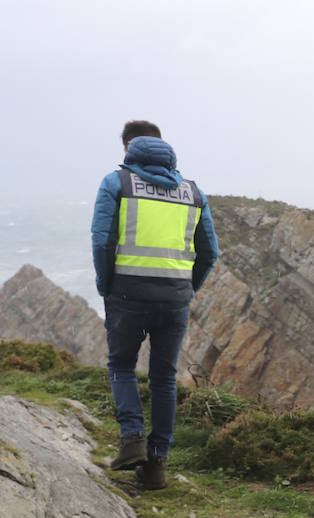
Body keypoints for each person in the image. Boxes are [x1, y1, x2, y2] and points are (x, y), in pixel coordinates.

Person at [91, 120, 218, 490]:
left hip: (127, 294)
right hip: (175, 299)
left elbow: (102, 241)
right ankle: (157, 464)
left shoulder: (117, 183)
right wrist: (187, 288)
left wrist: (105, 285)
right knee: (164, 378)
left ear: (128, 148)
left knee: (121, 366)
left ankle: (132, 439)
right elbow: (210, 251)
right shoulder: (193, 192)